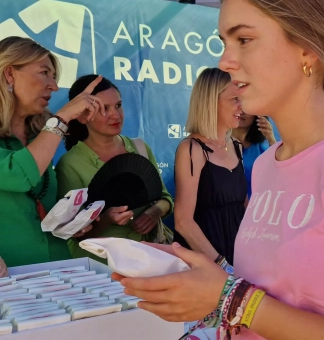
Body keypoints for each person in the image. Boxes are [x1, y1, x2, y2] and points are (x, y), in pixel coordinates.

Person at [115, 0, 324, 340]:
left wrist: (228, 297)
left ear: (308, 48)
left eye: (244, 39)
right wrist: (209, 291)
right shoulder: (267, 165)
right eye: (225, 42)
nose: (226, 61)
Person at [0, 36, 101, 267]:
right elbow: (17, 174)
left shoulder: (40, 135)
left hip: (56, 272)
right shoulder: (52, 130)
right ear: (10, 74)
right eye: (44, 73)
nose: (54, 86)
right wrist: (62, 118)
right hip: (9, 282)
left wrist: (71, 221)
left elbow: (42, 203)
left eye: (54, 77)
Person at [55, 75, 173, 261]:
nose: (115, 115)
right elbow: (73, 233)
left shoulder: (140, 148)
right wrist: (107, 218)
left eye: (118, 105)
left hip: (146, 257)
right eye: (104, 109)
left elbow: (165, 198)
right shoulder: (70, 164)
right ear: (83, 116)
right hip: (100, 264)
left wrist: (154, 212)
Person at [172, 67, 247, 265]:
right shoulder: (192, 149)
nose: (243, 107)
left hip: (239, 260)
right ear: (211, 102)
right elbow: (183, 222)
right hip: (205, 264)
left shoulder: (236, 147)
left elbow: (244, 206)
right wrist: (220, 264)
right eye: (234, 100)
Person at [232, 112, 275, 198]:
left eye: (247, 109)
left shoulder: (261, 148)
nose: (242, 111)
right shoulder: (220, 145)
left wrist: (271, 139)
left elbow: (277, 174)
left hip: (255, 205)